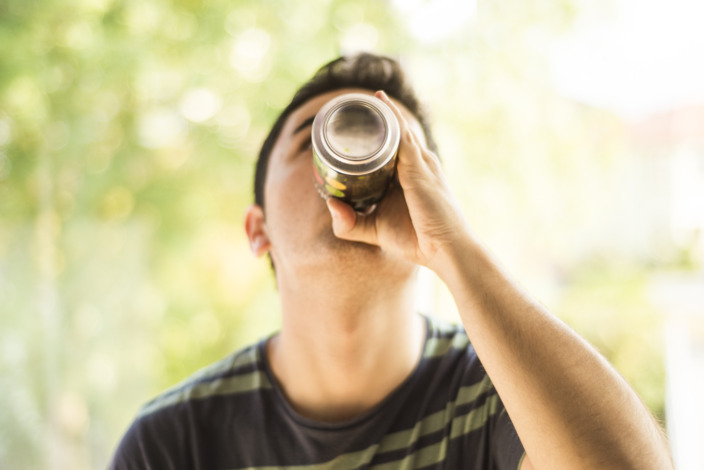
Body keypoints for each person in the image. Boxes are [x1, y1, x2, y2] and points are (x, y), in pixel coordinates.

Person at [110, 53, 673, 469]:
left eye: (394, 146)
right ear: (258, 230)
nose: (353, 157)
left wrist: (452, 248)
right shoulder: (174, 442)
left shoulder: (505, 395)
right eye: (316, 139)